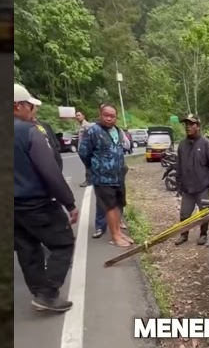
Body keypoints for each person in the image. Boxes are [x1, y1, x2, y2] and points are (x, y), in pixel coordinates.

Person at [14, 84, 78, 312]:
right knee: (63, 243)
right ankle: (48, 293)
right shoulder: (28, 132)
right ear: (18, 106)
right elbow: (50, 172)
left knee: (27, 249)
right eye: (30, 106)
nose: (32, 111)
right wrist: (69, 203)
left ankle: (39, 293)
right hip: (36, 204)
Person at [79, 104, 132, 247]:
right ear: (100, 114)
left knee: (118, 205)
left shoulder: (117, 131)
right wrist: (95, 167)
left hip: (119, 176)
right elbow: (84, 153)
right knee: (110, 207)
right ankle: (115, 236)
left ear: (116, 117)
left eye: (112, 116)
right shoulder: (93, 131)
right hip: (103, 178)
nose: (109, 118)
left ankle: (119, 233)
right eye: (106, 115)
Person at [174, 114, 209, 246]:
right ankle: (184, 235)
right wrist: (179, 185)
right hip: (187, 189)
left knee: (204, 213)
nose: (188, 127)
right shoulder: (182, 146)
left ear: (198, 126)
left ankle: (203, 235)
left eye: (191, 124)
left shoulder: (206, 144)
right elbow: (179, 166)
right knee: (184, 214)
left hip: (202, 189)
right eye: (186, 124)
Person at [74, 110, 95, 187]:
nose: (77, 117)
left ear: (83, 116)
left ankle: (89, 180)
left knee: (88, 165)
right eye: (76, 115)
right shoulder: (80, 126)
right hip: (81, 149)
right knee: (87, 165)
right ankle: (91, 179)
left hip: (86, 149)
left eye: (79, 115)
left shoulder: (87, 125)